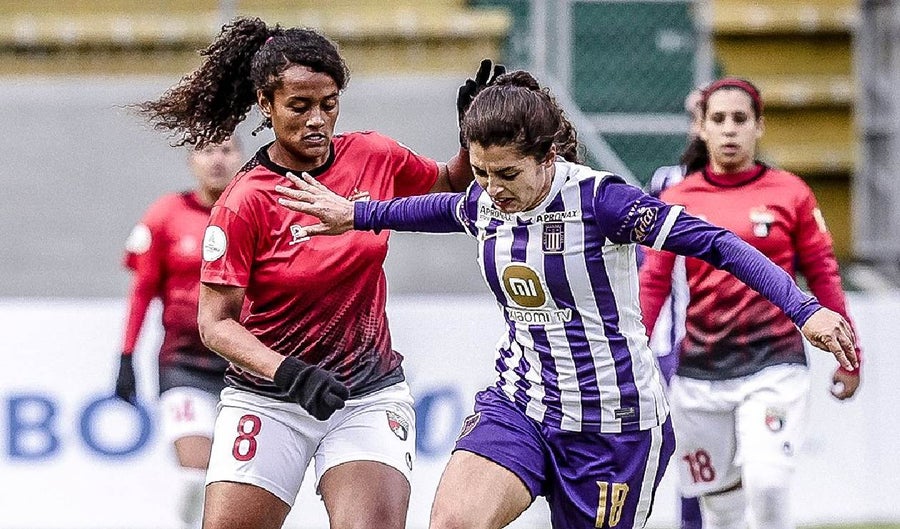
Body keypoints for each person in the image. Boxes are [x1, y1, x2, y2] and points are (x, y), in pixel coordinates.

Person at [274, 70, 858, 529]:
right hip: (521, 405)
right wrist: (356, 214)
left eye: (507, 174)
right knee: (453, 522)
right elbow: (432, 208)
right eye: (480, 172)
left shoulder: (604, 203)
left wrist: (805, 309)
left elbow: (718, 244)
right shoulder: (483, 202)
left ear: (547, 158)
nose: (491, 190)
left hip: (615, 427)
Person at [137, 16, 493, 529]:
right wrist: (288, 372)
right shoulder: (244, 201)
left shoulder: (373, 155)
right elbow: (215, 323)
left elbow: (451, 184)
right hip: (270, 397)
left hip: (365, 394)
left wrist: (470, 140)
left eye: (328, 104)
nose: (317, 120)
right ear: (266, 104)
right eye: (299, 106)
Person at [638, 77, 863, 529]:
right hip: (699, 375)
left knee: (768, 481)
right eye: (718, 119)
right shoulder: (677, 200)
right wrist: (632, 357)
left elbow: (823, 274)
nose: (729, 129)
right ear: (701, 127)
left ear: (759, 126)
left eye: (740, 119)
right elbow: (652, 284)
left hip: (774, 365)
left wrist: (851, 352)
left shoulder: (791, 193)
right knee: (720, 511)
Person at [114, 138, 244, 529]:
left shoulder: (254, 212)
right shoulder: (167, 213)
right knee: (195, 477)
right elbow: (142, 290)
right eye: (207, 150)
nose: (217, 160)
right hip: (184, 364)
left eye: (226, 150)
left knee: (241, 485)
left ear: (241, 157)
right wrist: (126, 356)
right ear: (191, 160)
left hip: (246, 365)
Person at [643, 88, 704, 529]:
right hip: (678, 343)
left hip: (743, 345)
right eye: (705, 117)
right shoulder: (668, 183)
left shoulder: (766, 185)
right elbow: (650, 267)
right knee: (693, 456)